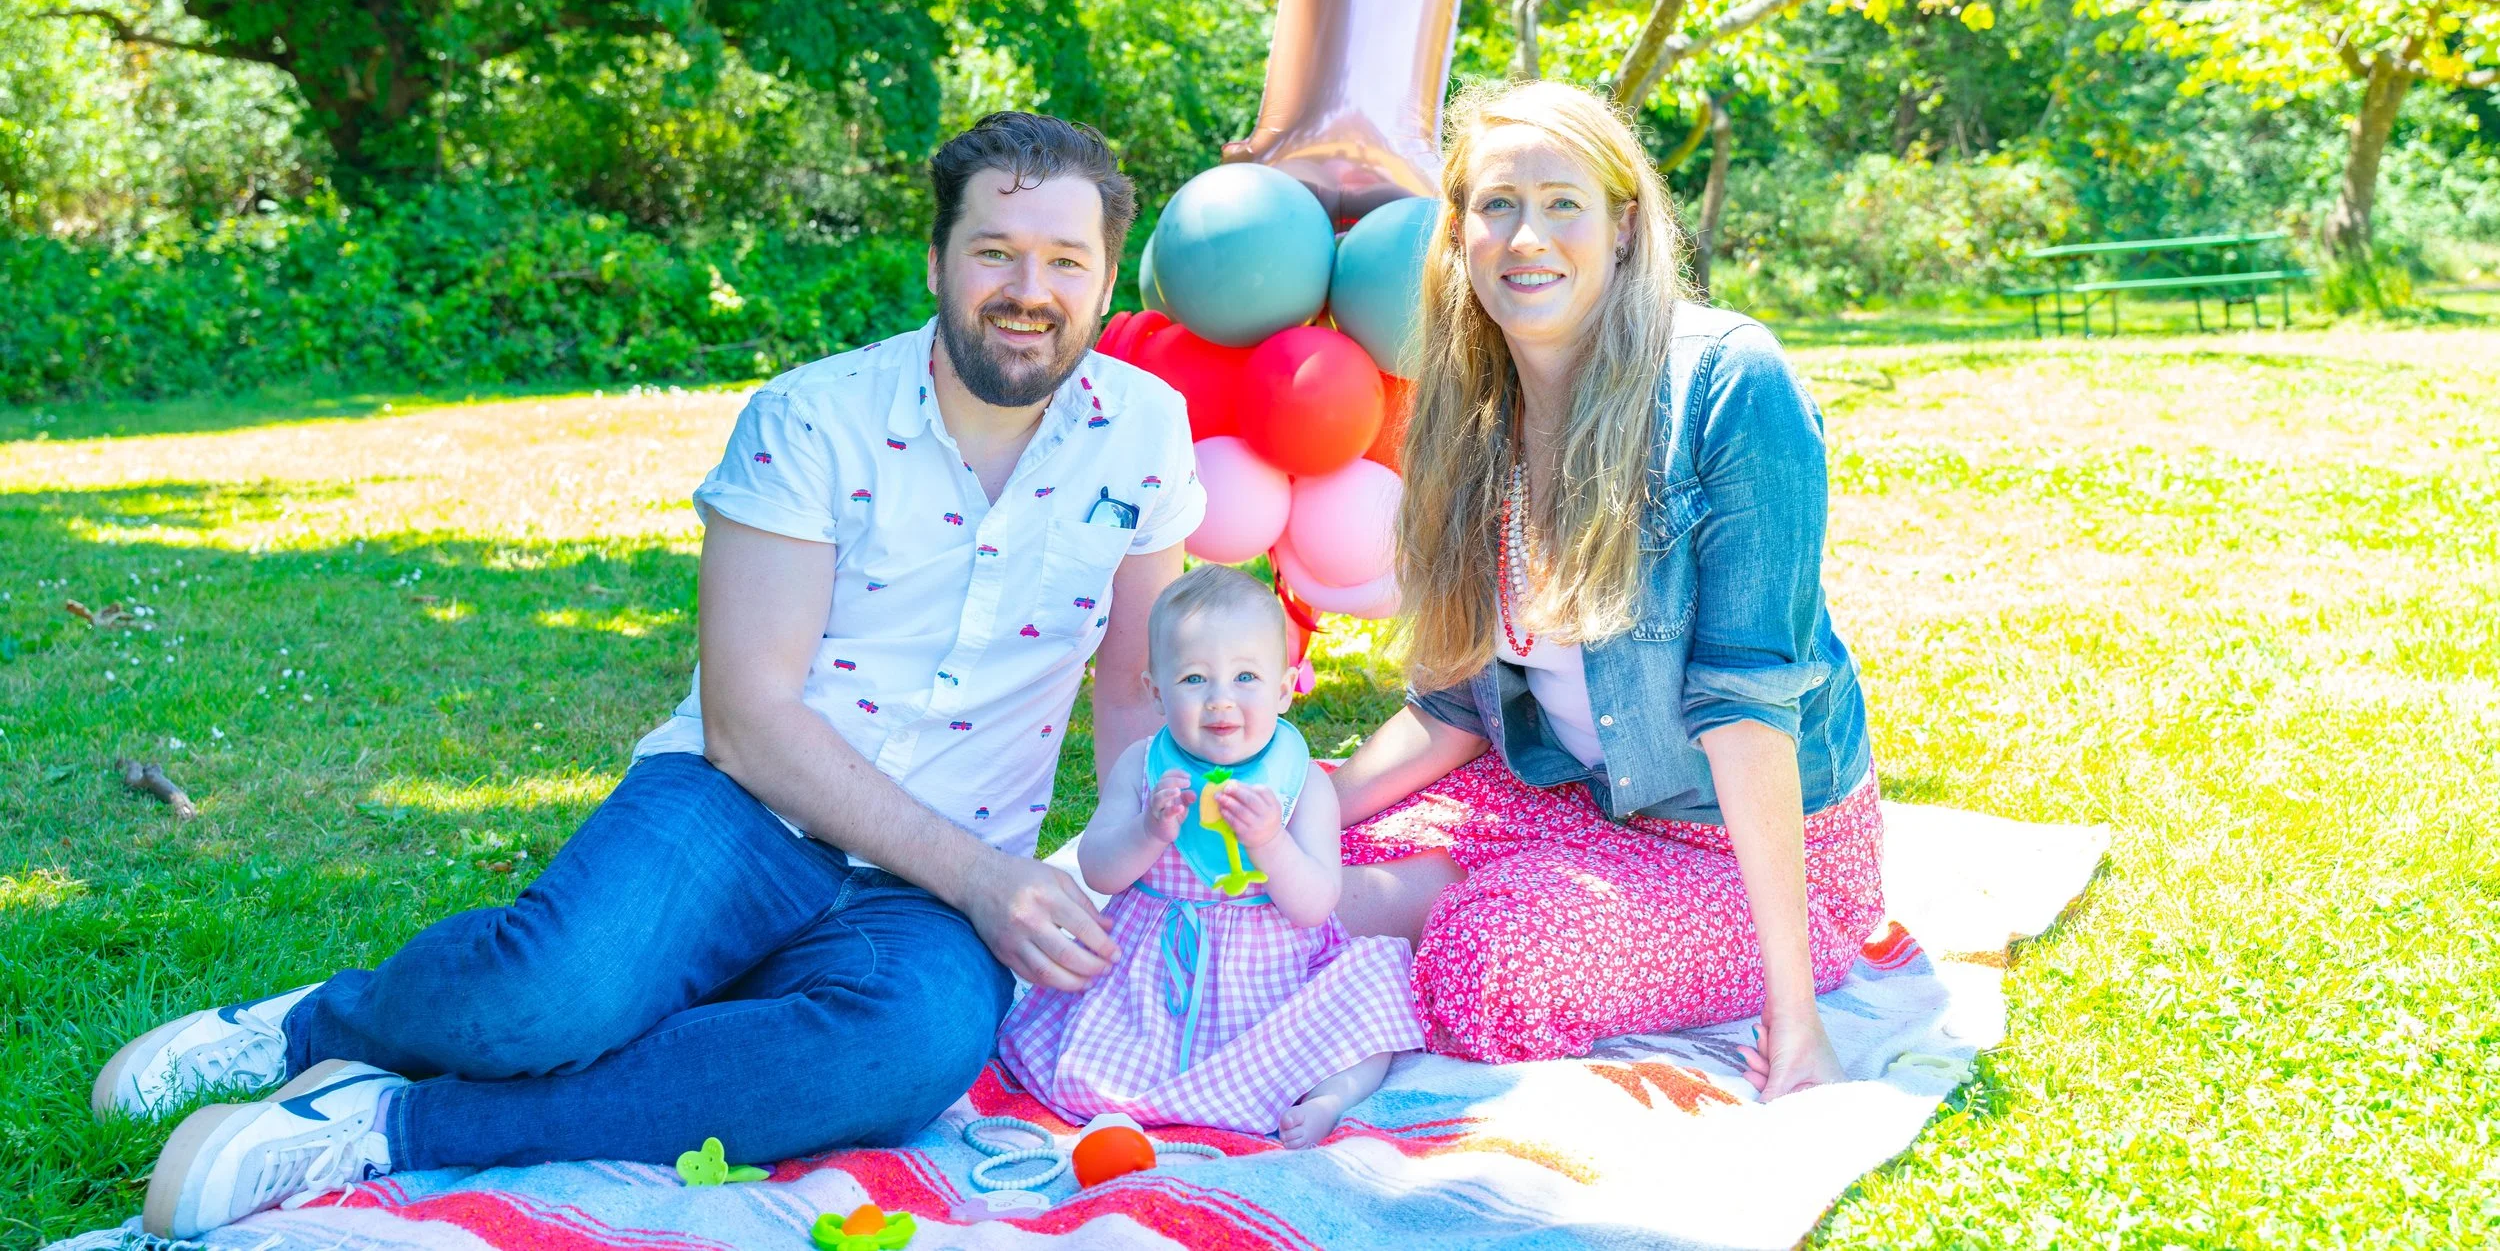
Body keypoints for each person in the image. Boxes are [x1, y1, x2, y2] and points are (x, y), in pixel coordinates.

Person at [100, 112, 1206, 1238]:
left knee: (907, 1057)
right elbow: (749, 719)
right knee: (547, 1000)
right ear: (936, 262)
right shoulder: (810, 419)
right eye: (995, 251)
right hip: (740, 808)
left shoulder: (1146, 434)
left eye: (1065, 260)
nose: (1030, 288)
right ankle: (318, 1030)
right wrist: (982, 879)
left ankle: (383, 1127)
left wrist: (1137, 860)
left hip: (924, 887)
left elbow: (1130, 688)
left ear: (1107, 280)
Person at [1327, 80, 1884, 1100]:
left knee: (1494, 966)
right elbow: (1455, 706)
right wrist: (1315, 809)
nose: (1525, 235)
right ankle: (1476, 893)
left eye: (1561, 203)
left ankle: (1480, 919)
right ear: (1458, 234)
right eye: (1495, 205)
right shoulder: (1468, 411)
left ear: (1624, 228)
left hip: (1736, 845)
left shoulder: (1726, 382)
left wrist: (1793, 1015)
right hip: (1562, 798)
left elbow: (1749, 703)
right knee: (1288, 870)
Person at [998, 564, 1424, 1148]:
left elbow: (1315, 905)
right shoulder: (1145, 767)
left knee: (1376, 989)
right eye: (1195, 679)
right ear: (1155, 689)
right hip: (1154, 973)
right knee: (1100, 1053)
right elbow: (1098, 868)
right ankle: (1153, 1091)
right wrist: (1149, 831)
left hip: (1272, 983)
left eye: (1246, 677)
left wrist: (1270, 843)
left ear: (1282, 688)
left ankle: (1331, 1096)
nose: (1221, 700)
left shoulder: (1302, 782)